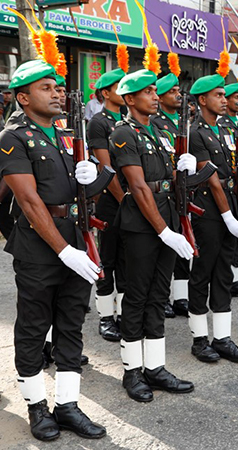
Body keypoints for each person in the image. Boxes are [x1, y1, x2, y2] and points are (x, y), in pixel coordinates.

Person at [0, 59, 106, 441]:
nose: (57, 92)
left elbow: (76, 193)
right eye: (46, 87)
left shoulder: (63, 134)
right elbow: (29, 201)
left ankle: (67, 405)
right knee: (32, 329)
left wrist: (93, 172)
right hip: (41, 249)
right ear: (23, 97)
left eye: (58, 87)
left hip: (76, 238)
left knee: (71, 324)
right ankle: (36, 407)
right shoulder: (12, 136)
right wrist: (64, 251)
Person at [110, 68, 195, 402]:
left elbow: (163, 177)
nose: (155, 96)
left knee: (158, 295)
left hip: (167, 214)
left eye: (155, 91)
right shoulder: (123, 132)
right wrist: (163, 230)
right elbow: (138, 185)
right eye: (147, 92)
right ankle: (132, 371)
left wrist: (182, 169)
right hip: (142, 224)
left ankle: (155, 367)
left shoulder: (158, 130)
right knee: (137, 296)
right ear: (130, 99)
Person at [184, 73, 238, 363]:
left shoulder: (225, 128)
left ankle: (223, 338)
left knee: (224, 273)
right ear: (202, 99)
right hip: (209, 212)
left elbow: (227, 173)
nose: (224, 100)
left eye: (225, 95)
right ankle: (200, 339)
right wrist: (227, 216)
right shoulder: (195, 132)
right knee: (203, 273)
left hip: (229, 206)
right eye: (218, 95)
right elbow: (211, 177)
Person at [88, 68, 128, 342]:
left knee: (128, 260)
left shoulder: (128, 121)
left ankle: (125, 313)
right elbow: (106, 168)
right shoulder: (99, 123)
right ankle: (105, 316)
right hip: (113, 203)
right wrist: (124, 199)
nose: (125, 92)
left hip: (133, 201)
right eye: (119, 87)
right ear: (105, 93)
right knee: (108, 261)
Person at [151, 72, 190, 319]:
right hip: (166, 192)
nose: (178, 95)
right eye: (172, 92)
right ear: (161, 98)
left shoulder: (184, 122)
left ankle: (181, 297)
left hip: (185, 191)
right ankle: (162, 296)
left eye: (179, 91)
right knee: (163, 247)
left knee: (184, 244)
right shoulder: (155, 123)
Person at [219, 82, 238, 297]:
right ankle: (225, 278)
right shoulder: (222, 124)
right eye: (235, 97)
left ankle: (235, 278)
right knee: (224, 239)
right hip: (223, 187)